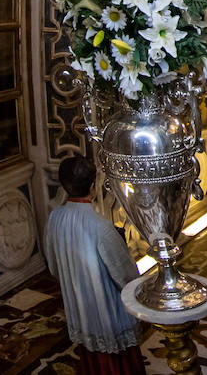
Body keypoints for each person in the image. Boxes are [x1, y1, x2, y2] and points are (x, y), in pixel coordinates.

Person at [43, 156, 145, 375]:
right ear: (92, 186)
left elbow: (53, 268)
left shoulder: (54, 219)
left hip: (80, 312)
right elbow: (126, 278)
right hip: (108, 317)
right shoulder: (101, 227)